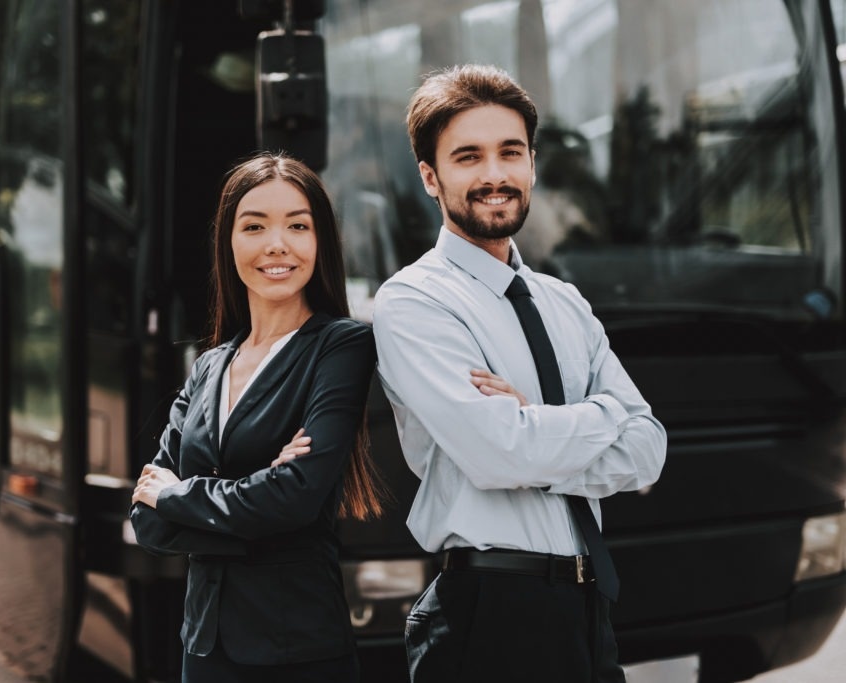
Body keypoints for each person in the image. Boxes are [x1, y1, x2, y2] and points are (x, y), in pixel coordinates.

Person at [372, 64, 667, 682]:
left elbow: (649, 449)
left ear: (532, 163)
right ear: (431, 176)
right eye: (468, 157)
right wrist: (603, 416)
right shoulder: (413, 301)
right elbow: (500, 454)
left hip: (589, 611)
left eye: (510, 152)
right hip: (489, 616)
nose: (494, 175)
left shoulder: (564, 301)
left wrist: (538, 424)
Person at [130, 152, 383, 683]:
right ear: (229, 241)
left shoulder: (341, 346)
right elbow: (146, 521)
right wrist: (257, 504)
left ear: (320, 242)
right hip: (203, 647)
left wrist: (177, 495)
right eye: (254, 226)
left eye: (297, 225)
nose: (277, 244)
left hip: (298, 651)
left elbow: (296, 496)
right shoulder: (208, 366)